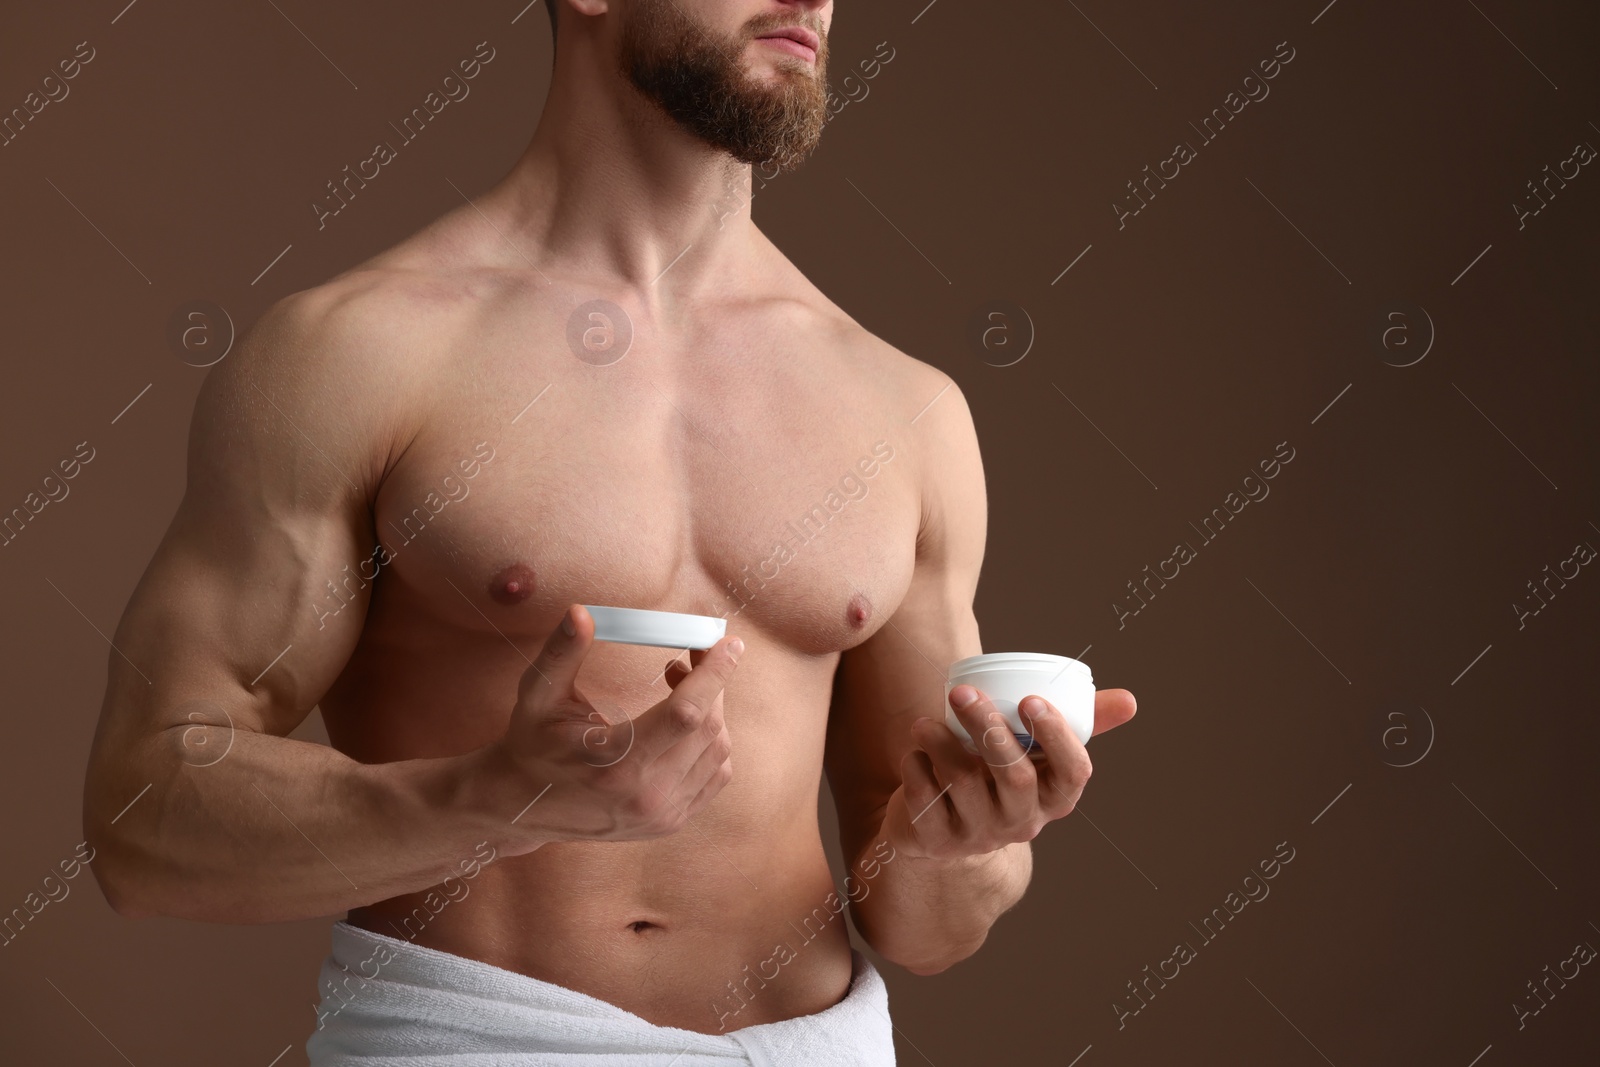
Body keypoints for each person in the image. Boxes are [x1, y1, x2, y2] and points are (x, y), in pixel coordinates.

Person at [82, 1, 1137, 1062]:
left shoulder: (904, 410)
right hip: (477, 1041)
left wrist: (971, 842)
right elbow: (143, 817)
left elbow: (922, 926)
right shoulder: (359, 355)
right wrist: (488, 796)